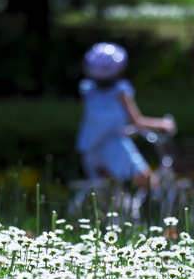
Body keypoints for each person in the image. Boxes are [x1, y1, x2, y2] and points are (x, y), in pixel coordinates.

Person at [75, 42, 176, 190]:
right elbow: (137, 121)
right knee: (151, 184)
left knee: (113, 196)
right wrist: (164, 124)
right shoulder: (121, 91)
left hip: (90, 149)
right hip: (115, 148)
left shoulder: (88, 90)